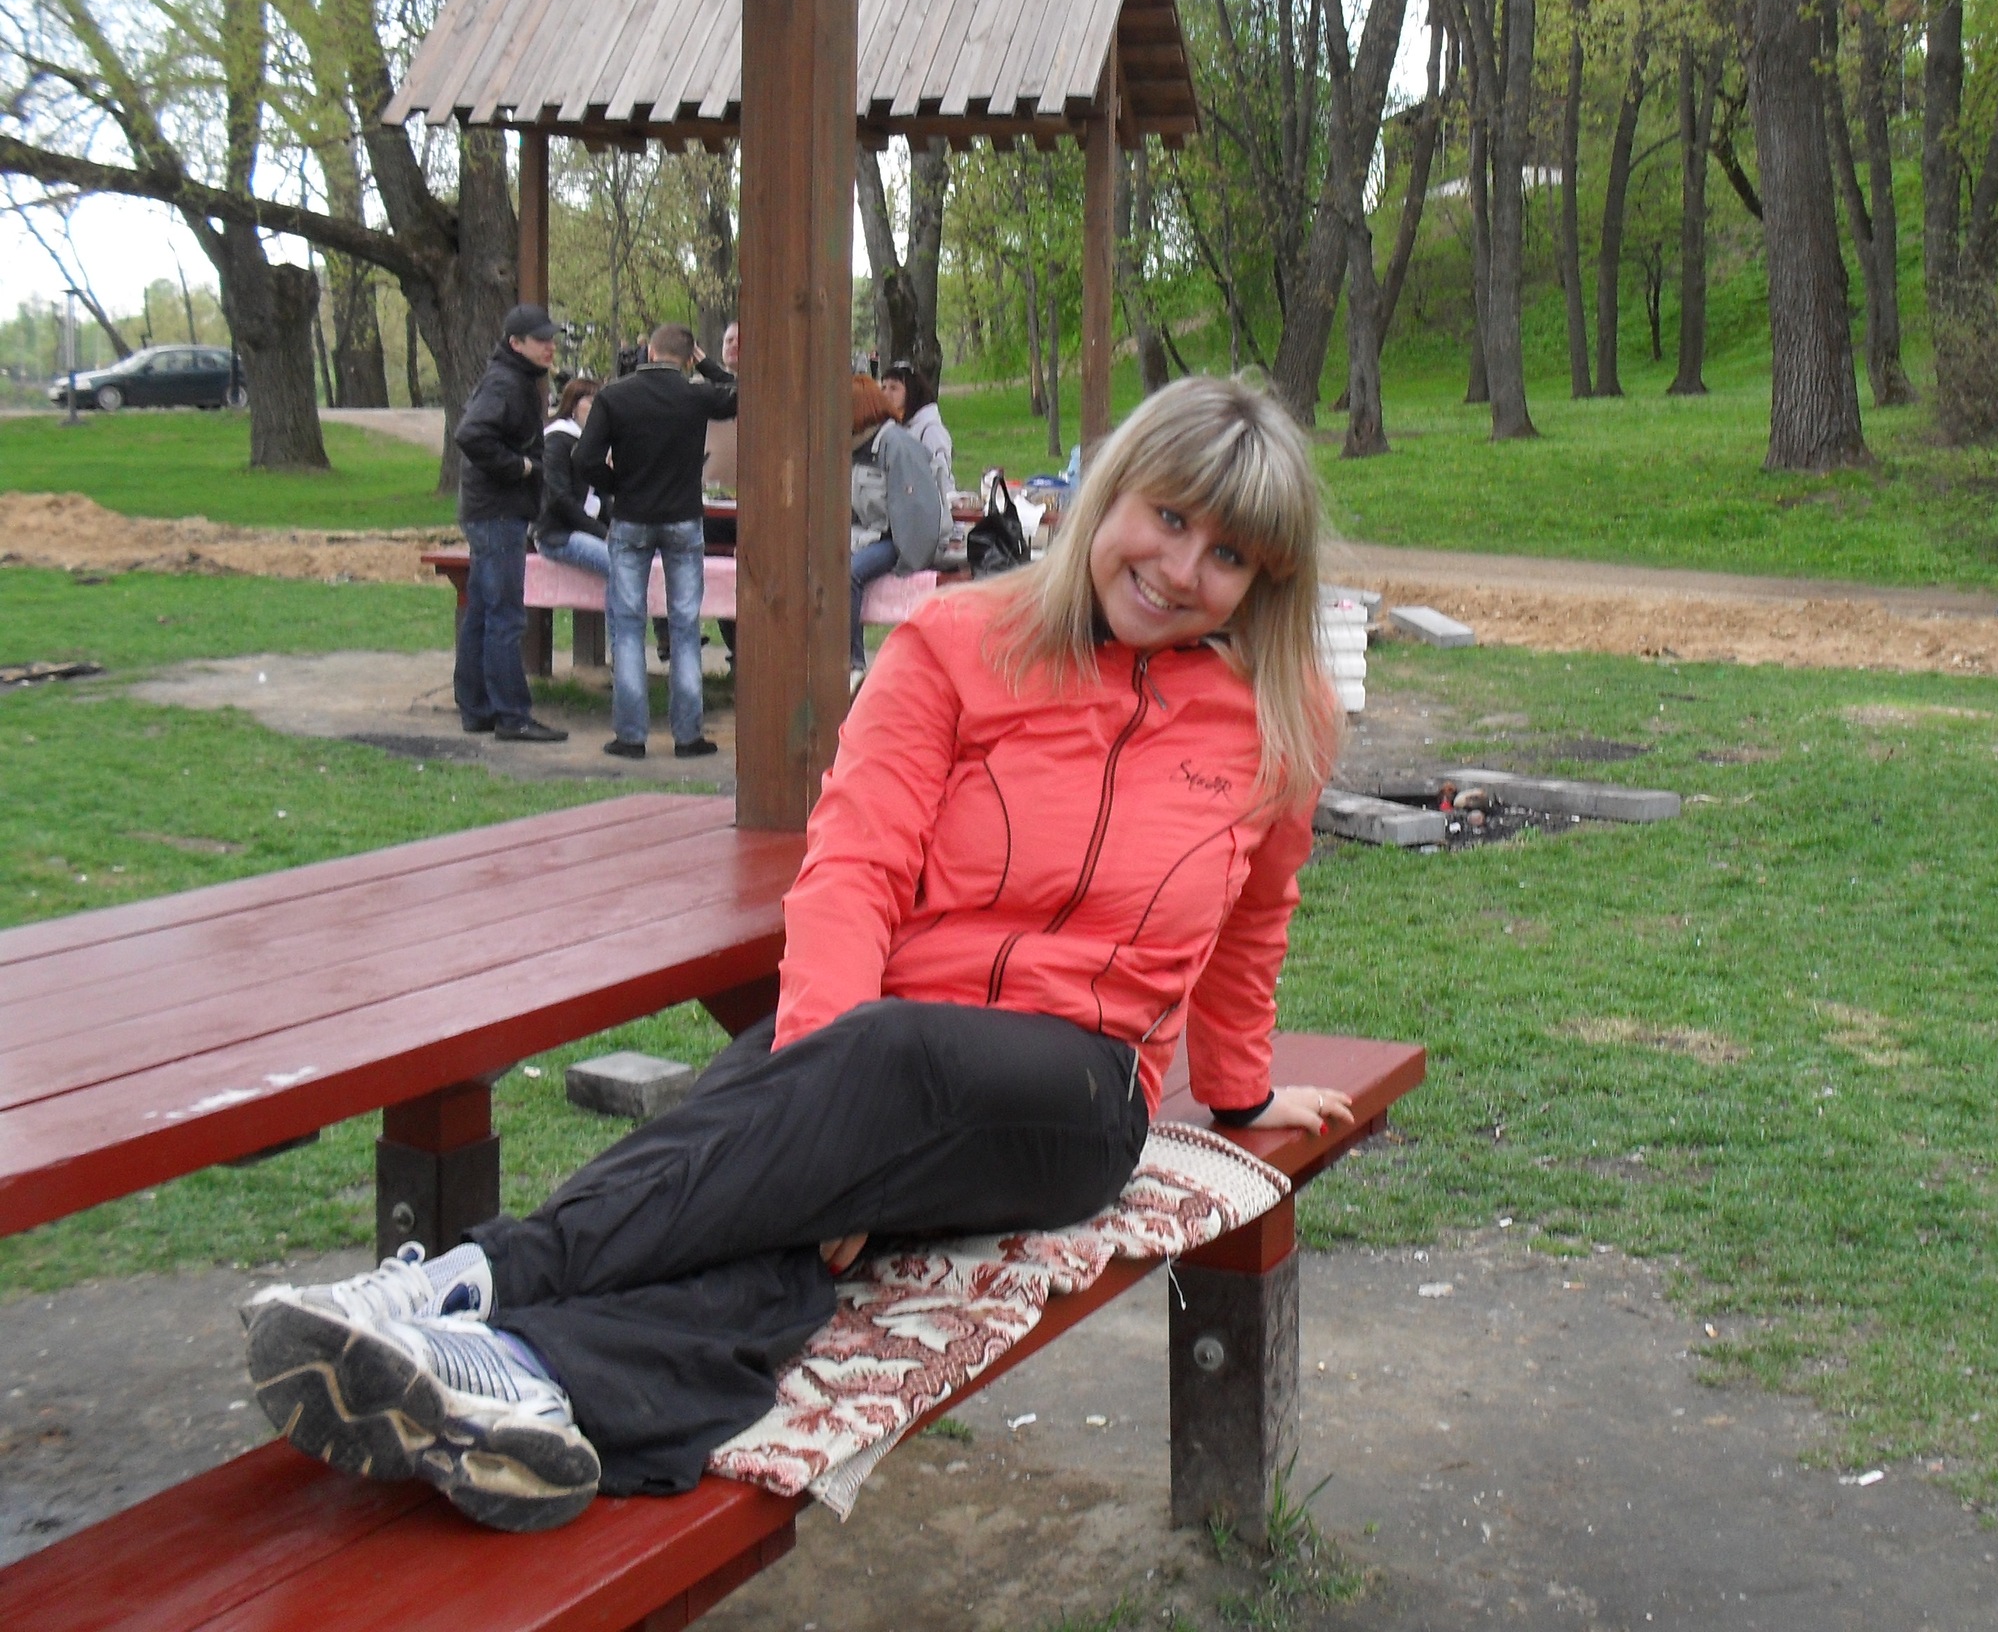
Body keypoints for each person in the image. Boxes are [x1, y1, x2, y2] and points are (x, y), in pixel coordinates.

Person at [240, 377, 1354, 1534]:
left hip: (1074, 1090)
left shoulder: (1282, 715)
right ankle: (531, 1379)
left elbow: (1253, 917)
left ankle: (468, 1280)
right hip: (872, 1040)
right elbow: (854, 865)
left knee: (850, 1093)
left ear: (1263, 581)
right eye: (1168, 517)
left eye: (1227, 556)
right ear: (1113, 493)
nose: (1181, 570)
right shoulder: (959, 642)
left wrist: (1240, 1091)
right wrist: (826, 1115)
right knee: (769, 1207)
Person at [574, 323, 737, 760]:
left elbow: (584, 458)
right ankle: (688, 735)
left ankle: (630, 735)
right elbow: (742, 392)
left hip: (631, 516)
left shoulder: (615, 396)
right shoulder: (695, 396)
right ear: (687, 358)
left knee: (628, 625)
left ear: (649, 351)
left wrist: (616, 485)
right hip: (683, 516)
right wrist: (707, 364)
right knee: (684, 625)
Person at [450, 304, 570, 743]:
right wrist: (518, 467)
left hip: (492, 511)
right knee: (505, 615)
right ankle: (512, 715)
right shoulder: (505, 382)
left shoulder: (513, 378)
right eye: (541, 340)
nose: (549, 347)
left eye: (551, 339)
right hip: (498, 512)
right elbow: (470, 434)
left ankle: (476, 708)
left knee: (483, 610)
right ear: (515, 343)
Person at [847, 371, 941, 672]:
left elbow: (917, 513)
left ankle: (852, 663)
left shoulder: (897, 446)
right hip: (864, 534)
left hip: (895, 540)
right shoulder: (853, 448)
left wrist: (907, 561)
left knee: (848, 575)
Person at [534, 377, 610, 577]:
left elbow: (602, 495)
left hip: (587, 529)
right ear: (573, 405)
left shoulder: (592, 443)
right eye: (592, 402)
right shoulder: (556, 441)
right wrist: (602, 532)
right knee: (620, 565)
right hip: (558, 534)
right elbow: (559, 498)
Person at [881, 358, 955, 504]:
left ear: (911, 391)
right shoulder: (890, 428)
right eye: (883, 388)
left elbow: (940, 479)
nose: (886, 394)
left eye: (894, 388)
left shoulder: (931, 430)